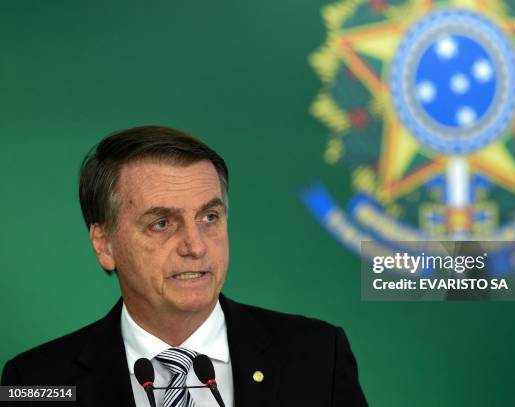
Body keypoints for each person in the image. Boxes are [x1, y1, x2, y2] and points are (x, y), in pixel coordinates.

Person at [1, 126, 368, 407]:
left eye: (209, 217)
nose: (195, 246)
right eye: (162, 223)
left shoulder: (318, 356)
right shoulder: (35, 381)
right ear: (105, 244)